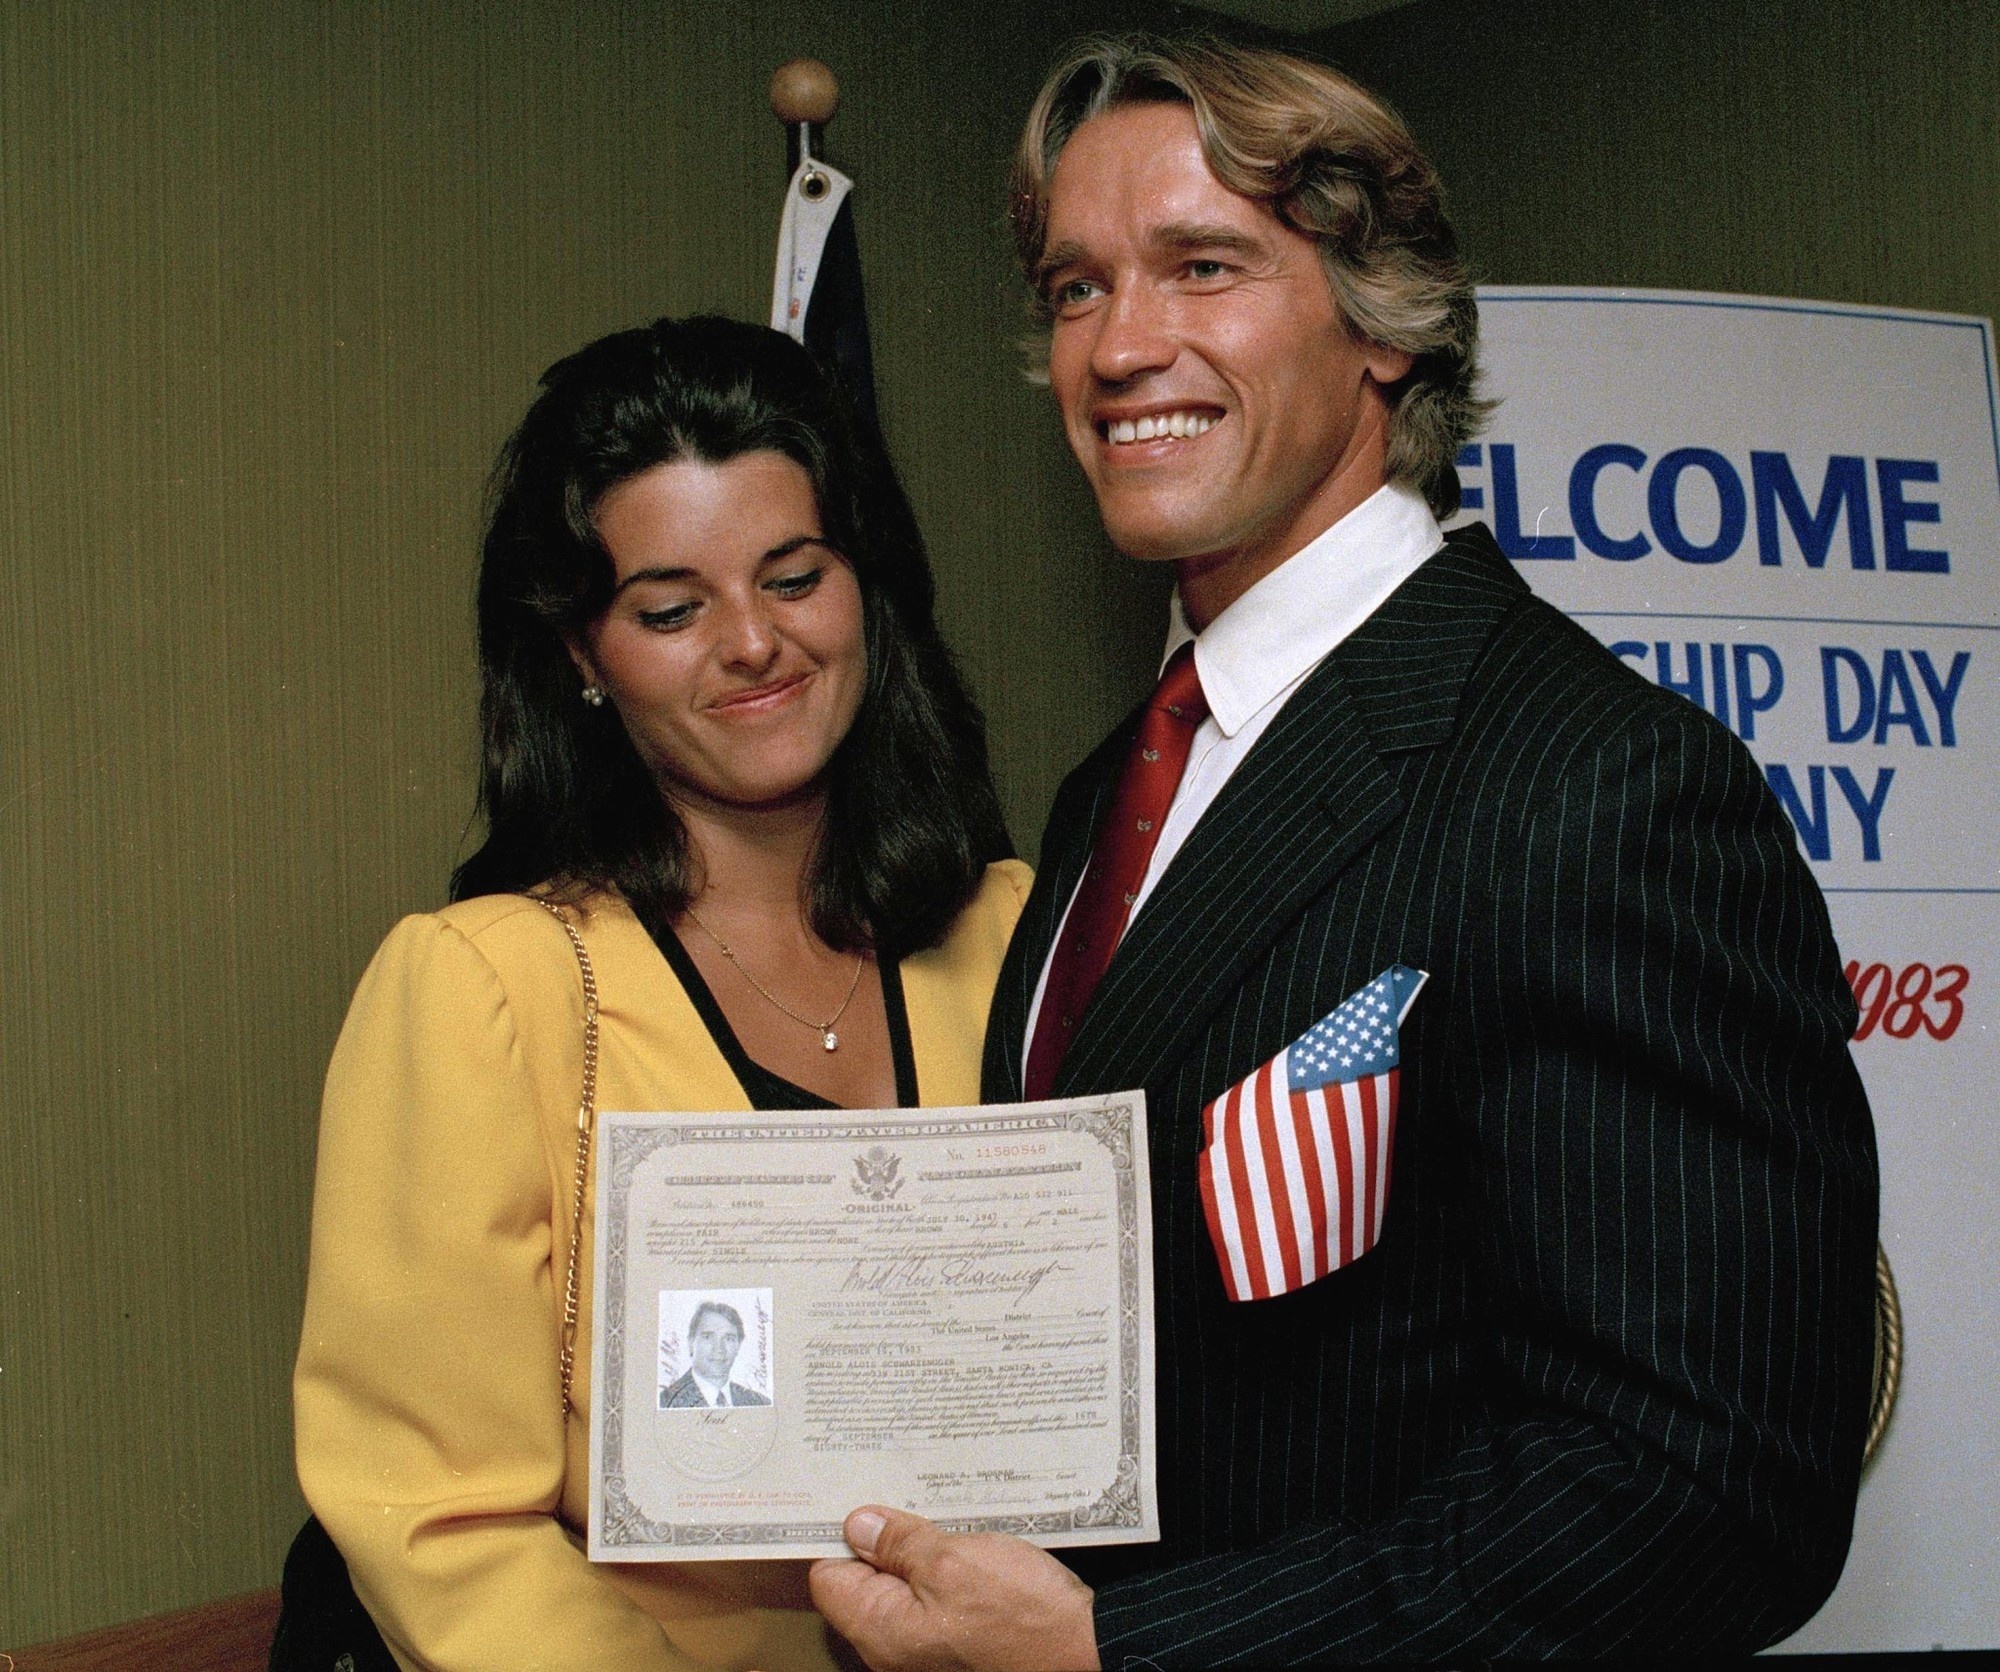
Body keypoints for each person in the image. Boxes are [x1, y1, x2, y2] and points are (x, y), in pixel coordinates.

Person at [809, 32, 1879, 1668]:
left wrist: (1120, 1655)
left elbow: (1701, 1488)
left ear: (1381, 323)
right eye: (1079, 287)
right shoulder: (1121, 788)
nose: (1117, 347)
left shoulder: (1601, 788)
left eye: (1203, 266)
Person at [289, 315, 1028, 1672]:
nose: (753, 644)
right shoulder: (484, 992)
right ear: (582, 653)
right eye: (672, 609)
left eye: (795, 577)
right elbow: (435, 1521)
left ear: (868, 587)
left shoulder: (1025, 932)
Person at [660, 1302, 771, 1409]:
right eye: (708, 1337)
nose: (719, 1348)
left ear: (738, 1345)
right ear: (691, 1343)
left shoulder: (760, 1403)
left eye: (728, 1338)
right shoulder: (665, 1403)